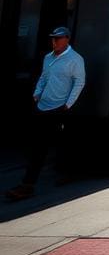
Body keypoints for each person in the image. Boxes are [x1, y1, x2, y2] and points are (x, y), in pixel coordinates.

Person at [7, 27, 86, 200]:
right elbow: (44, 77)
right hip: (43, 105)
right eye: (53, 38)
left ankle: (28, 185)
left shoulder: (75, 59)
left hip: (59, 107)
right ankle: (34, 181)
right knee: (40, 144)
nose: (54, 42)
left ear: (67, 39)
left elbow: (79, 82)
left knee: (46, 145)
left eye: (58, 38)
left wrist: (68, 104)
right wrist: (37, 93)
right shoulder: (48, 57)